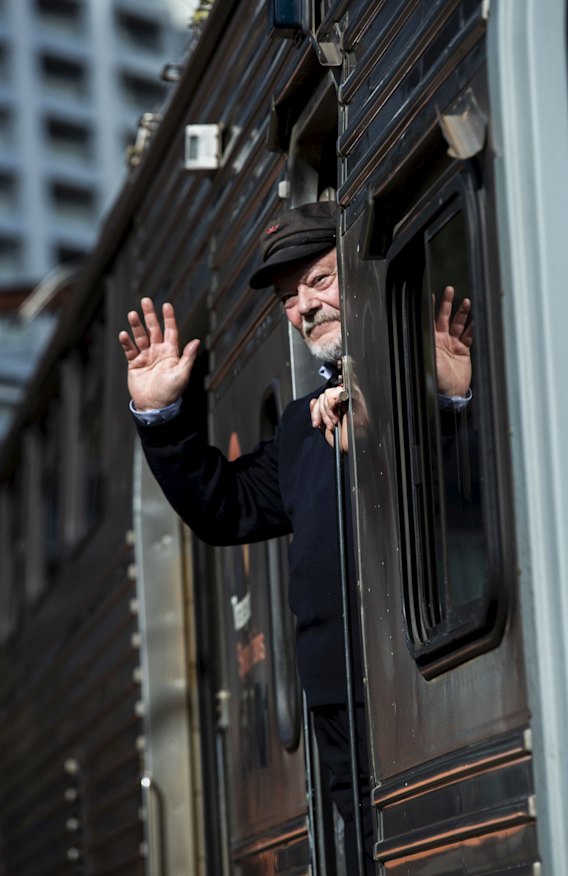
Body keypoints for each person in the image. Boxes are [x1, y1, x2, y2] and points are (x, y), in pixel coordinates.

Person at [119, 201, 473, 874]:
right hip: (340, 712)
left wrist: (448, 403)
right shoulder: (297, 427)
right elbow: (226, 510)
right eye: (288, 297)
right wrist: (160, 417)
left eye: (319, 279)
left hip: (427, 683)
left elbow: (471, 501)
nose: (304, 306)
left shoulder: (418, 385)